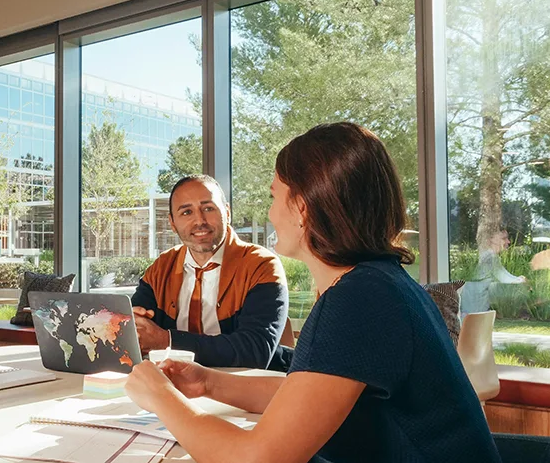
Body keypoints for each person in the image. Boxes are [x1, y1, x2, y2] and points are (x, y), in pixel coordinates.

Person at [125, 123, 500, 463]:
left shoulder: (357, 302)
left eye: (274, 197)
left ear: (301, 208)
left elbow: (255, 459)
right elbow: (303, 396)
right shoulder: (379, 284)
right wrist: (206, 381)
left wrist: (161, 397)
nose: (271, 213)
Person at [130, 174, 289, 368]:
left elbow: (255, 351)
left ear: (227, 213)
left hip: (247, 388)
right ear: (172, 223)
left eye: (208, 208)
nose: (200, 220)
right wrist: (130, 328)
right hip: (174, 386)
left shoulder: (261, 265)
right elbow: (134, 332)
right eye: (186, 212)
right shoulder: (161, 268)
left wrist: (167, 341)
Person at [461, 229, 527, 315]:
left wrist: (519, 279)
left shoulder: (491, 256)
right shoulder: (489, 257)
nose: (508, 241)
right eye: (504, 238)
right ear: (491, 240)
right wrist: (521, 280)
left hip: (478, 304)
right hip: (474, 306)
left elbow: (504, 274)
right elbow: (502, 277)